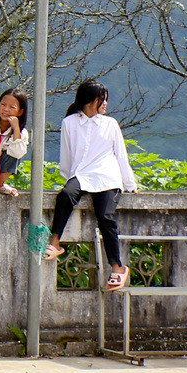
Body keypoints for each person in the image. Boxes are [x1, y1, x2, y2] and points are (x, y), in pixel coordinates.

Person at [46, 80, 138, 292]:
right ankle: (56, 241)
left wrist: (129, 184)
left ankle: (117, 267)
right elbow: (66, 155)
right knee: (65, 195)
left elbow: (121, 155)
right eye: (101, 99)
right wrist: (70, 178)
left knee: (105, 216)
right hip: (82, 174)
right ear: (89, 100)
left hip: (108, 177)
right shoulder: (69, 123)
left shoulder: (110, 124)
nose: (105, 103)